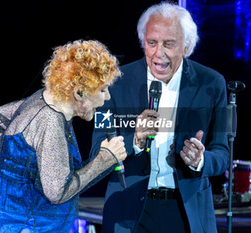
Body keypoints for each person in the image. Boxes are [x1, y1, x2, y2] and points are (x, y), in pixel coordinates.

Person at [91, 3, 229, 233]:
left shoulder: (212, 84)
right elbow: (97, 150)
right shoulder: (113, 84)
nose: (158, 53)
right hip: (128, 214)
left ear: (186, 46)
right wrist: (134, 141)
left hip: (186, 213)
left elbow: (223, 154)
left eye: (169, 44)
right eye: (152, 43)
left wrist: (200, 161)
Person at [0, 40, 127, 233]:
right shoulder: (51, 120)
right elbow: (58, 193)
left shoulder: (42, 99)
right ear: (79, 92)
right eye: (102, 90)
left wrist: (13, 169)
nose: (106, 97)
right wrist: (104, 160)